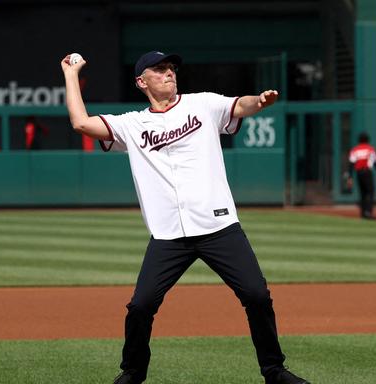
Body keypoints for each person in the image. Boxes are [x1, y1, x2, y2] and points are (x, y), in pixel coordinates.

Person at [60, 51, 310, 384]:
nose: (168, 73)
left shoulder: (202, 105)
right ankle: (132, 373)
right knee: (141, 306)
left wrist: (260, 101)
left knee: (256, 295)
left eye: (171, 68)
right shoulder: (131, 124)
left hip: (218, 226)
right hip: (168, 236)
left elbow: (240, 105)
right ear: (141, 82)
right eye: (159, 70)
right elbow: (81, 123)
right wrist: (70, 75)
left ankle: (274, 371)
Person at [346, 132, 376, 220]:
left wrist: (350, 177)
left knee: (362, 193)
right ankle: (368, 212)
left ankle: (363, 213)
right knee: (370, 192)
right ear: (368, 140)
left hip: (358, 173)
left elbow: (351, 164)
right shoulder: (370, 149)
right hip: (367, 172)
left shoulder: (355, 150)